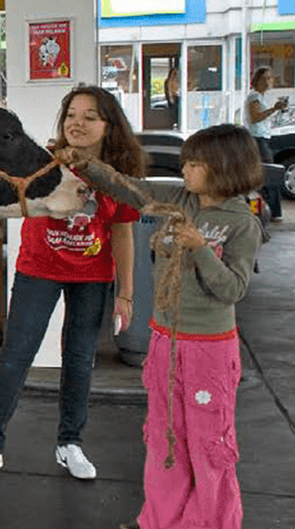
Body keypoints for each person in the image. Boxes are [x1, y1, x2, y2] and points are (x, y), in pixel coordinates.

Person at [55, 124, 264, 529]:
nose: (184, 168)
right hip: (166, 341)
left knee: (209, 443)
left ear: (224, 167)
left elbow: (233, 289)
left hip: (209, 349)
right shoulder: (178, 199)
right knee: (164, 437)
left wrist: (200, 250)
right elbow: (130, 188)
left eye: (195, 162)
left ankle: (212, 522)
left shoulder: (242, 223)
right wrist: (84, 164)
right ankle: (158, 519)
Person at [0, 84, 147, 489]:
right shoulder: (44, 159)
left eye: (89, 116)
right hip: (38, 268)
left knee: (79, 360)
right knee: (15, 357)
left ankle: (70, 443)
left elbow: (124, 234)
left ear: (108, 126)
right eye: (72, 115)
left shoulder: (119, 178)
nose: (77, 123)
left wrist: (126, 294)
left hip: (92, 277)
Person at [244, 66, 288, 223]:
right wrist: (274, 109)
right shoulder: (254, 97)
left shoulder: (259, 97)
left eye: (270, 78)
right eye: (265, 78)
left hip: (261, 139)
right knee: (269, 176)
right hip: (258, 140)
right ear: (256, 81)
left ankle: (262, 211)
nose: (269, 81)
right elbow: (255, 117)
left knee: (262, 178)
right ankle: (274, 212)